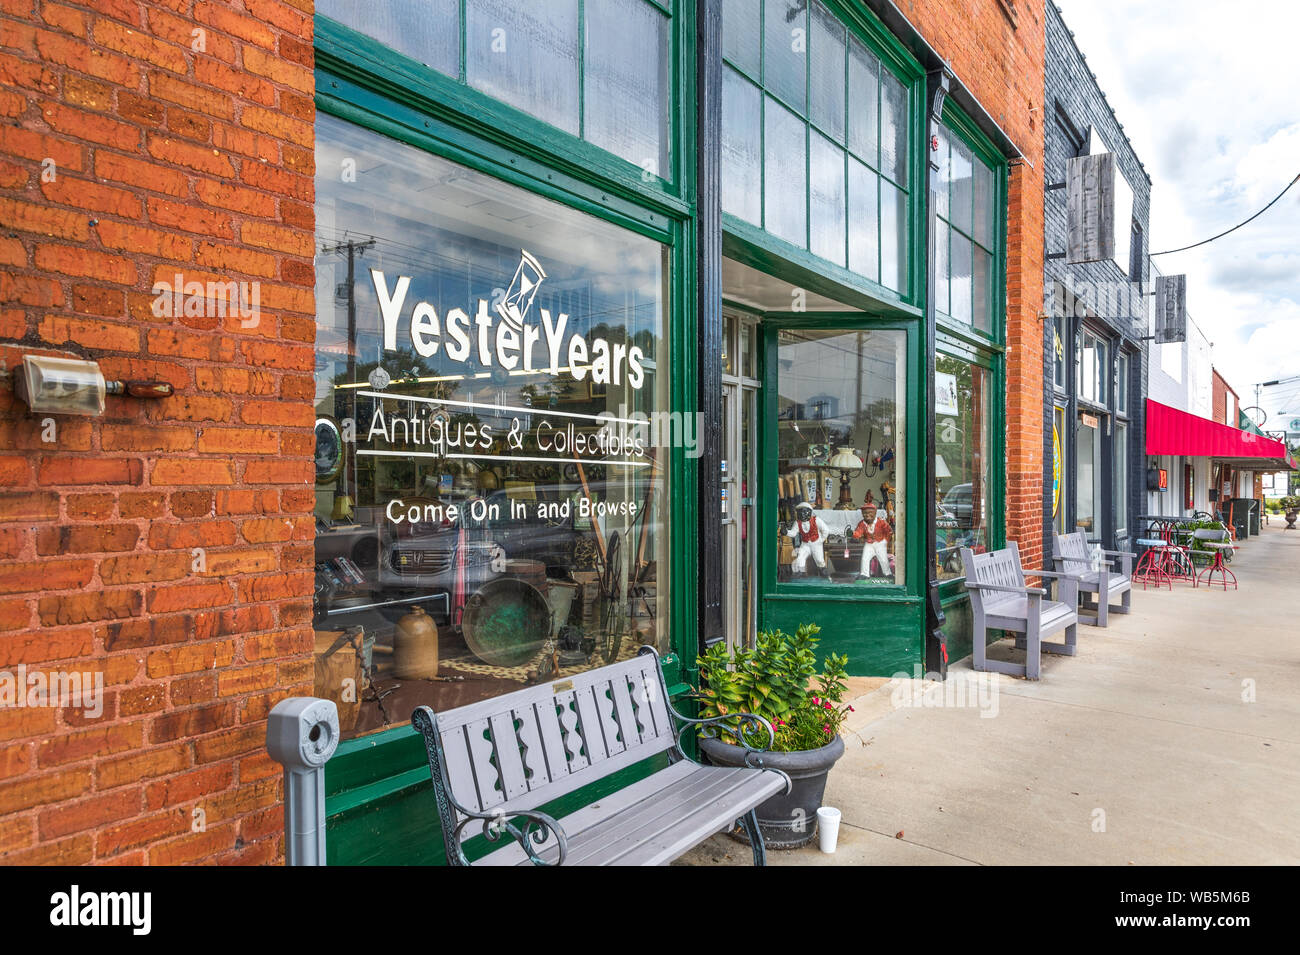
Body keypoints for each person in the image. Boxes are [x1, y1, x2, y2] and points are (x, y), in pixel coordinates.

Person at [786, 502, 829, 577]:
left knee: (819, 560)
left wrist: (821, 540)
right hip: (805, 544)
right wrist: (786, 532)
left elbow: (826, 530)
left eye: (804, 512)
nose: (802, 514)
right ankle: (800, 572)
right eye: (800, 512)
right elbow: (793, 533)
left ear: (809, 512)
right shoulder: (797, 523)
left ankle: (823, 572)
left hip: (816, 543)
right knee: (800, 557)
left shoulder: (816, 520)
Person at [853, 502, 892, 579]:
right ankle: (865, 574)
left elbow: (889, 531)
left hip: (880, 543)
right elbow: (858, 532)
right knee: (865, 558)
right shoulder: (862, 523)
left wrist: (885, 541)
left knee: (883, 559)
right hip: (869, 543)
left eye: (870, 513)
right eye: (864, 513)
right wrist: (855, 536)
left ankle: (887, 574)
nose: (867, 515)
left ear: (875, 513)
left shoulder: (881, 522)